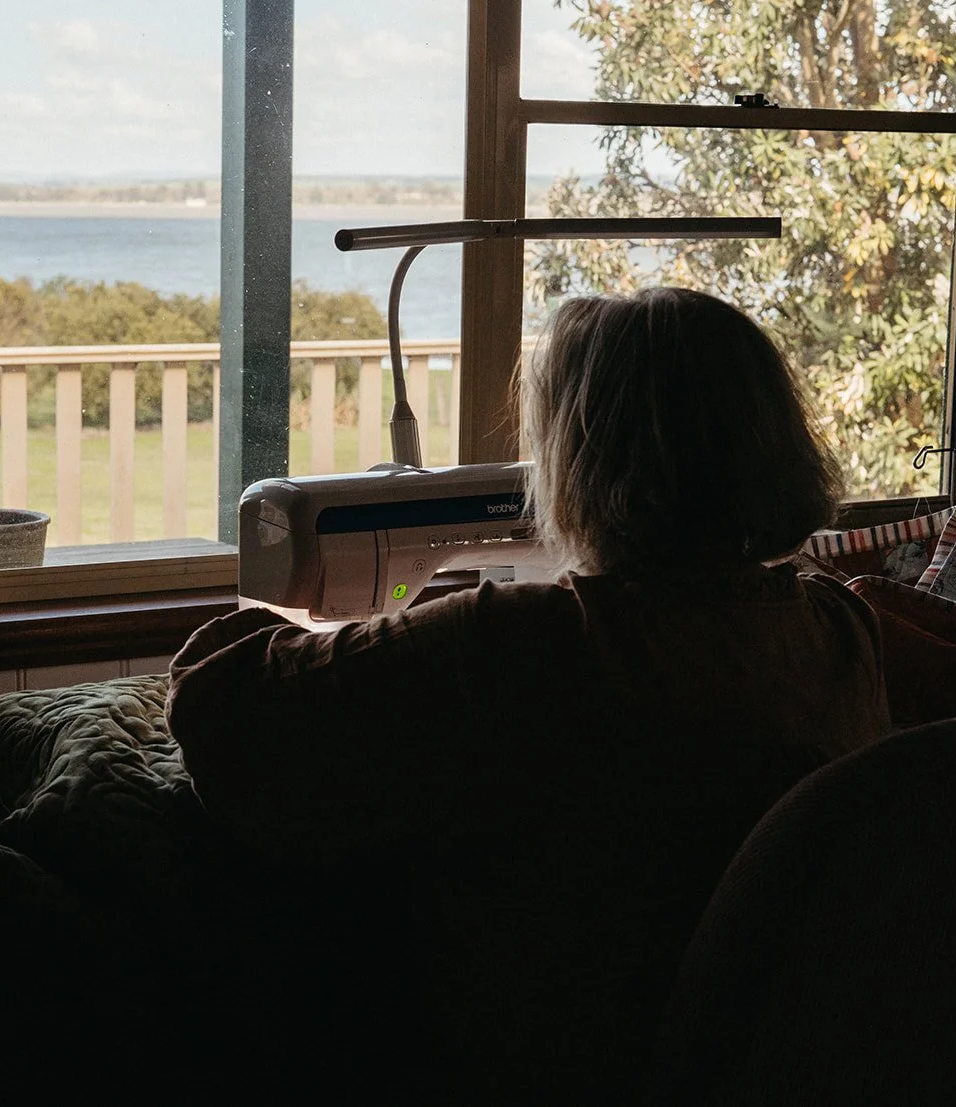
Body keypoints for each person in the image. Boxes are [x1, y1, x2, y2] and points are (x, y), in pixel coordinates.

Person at [166, 287, 890, 1101]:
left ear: (583, 460)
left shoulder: (528, 642)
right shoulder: (841, 632)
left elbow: (224, 709)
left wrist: (334, 631)